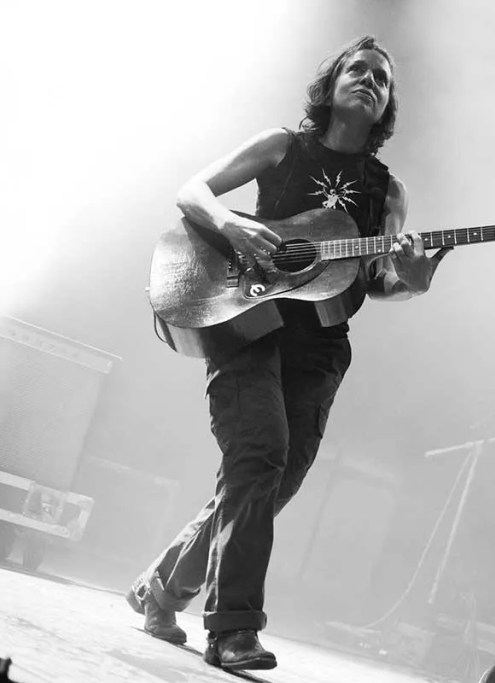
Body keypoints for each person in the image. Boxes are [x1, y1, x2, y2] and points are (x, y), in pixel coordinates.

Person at [125, 36, 450, 671]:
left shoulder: (388, 192)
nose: (368, 81)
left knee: (276, 478)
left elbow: (375, 281)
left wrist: (413, 281)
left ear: (387, 108)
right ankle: (232, 628)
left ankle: (163, 588)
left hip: (322, 346)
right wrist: (231, 223)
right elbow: (192, 191)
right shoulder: (283, 147)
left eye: (381, 79)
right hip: (248, 323)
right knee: (259, 455)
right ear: (330, 83)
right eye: (356, 69)